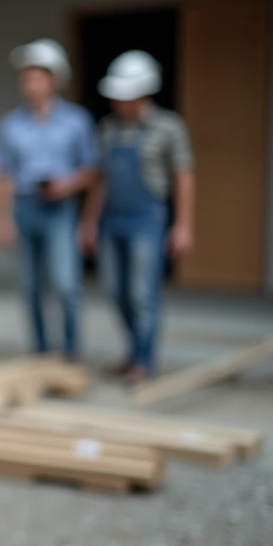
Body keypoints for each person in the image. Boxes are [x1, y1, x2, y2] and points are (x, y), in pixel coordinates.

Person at [80, 50, 195, 383]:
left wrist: (184, 225)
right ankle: (133, 351)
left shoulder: (168, 127)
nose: (118, 103)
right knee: (116, 291)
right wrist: (89, 222)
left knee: (142, 293)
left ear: (144, 93)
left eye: (125, 96)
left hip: (148, 218)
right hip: (112, 218)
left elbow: (184, 176)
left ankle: (144, 360)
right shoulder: (108, 129)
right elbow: (100, 181)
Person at [0, 39, 97, 361]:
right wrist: (3, 218)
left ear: (54, 80)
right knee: (30, 287)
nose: (30, 83)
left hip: (59, 209)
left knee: (65, 284)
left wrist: (67, 185)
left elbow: (91, 170)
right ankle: (39, 350)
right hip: (26, 207)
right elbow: (3, 175)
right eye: (27, 76)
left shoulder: (77, 122)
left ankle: (70, 350)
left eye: (37, 76)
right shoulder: (10, 124)